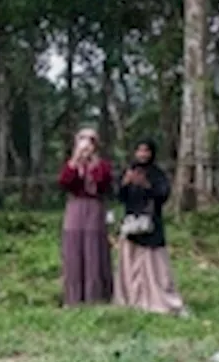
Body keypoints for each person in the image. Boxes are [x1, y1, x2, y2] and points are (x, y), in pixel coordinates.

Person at [114, 139, 189, 316]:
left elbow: (163, 195)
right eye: (139, 151)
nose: (142, 154)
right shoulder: (129, 171)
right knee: (130, 261)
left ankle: (157, 298)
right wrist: (125, 183)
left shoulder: (157, 174)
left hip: (151, 225)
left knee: (153, 264)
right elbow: (119, 196)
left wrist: (147, 186)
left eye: (146, 151)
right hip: (132, 224)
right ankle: (132, 297)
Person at [58, 127, 113, 306]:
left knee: (94, 249)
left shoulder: (102, 165)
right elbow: (65, 182)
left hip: (94, 207)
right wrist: (76, 159)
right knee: (73, 249)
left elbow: (104, 183)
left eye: (91, 140)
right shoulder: (71, 164)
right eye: (83, 139)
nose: (87, 144)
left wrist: (92, 164)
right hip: (75, 206)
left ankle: (95, 296)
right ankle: (73, 297)